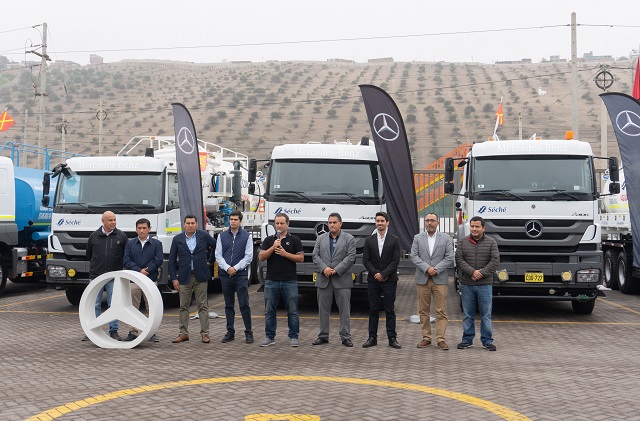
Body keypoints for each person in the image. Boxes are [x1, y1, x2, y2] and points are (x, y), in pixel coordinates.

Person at [169, 214, 217, 344]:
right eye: (188, 223)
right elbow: (172, 260)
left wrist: (211, 260)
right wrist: (173, 278)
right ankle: (183, 333)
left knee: (203, 306)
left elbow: (216, 246)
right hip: (184, 277)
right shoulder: (177, 239)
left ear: (197, 224)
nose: (190, 225)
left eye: (192, 223)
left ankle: (205, 334)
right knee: (183, 306)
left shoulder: (203, 236)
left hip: (201, 276)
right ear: (184, 225)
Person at [258, 212, 304, 347]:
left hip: (289, 281)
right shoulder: (269, 240)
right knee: (269, 311)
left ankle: (294, 337)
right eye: (277, 223)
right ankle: (270, 337)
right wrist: (273, 247)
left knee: (292, 311)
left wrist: (285, 254)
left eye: (282, 223)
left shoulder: (295, 240)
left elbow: (300, 258)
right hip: (271, 281)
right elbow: (261, 257)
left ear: (287, 224)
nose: (279, 226)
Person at [410, 214, 455, 350]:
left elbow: (450, 257)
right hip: (422, 278)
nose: (429, 223)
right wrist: (427, 268)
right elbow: (414, 256)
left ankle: (441, 339)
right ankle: (426, 338)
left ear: (438, 223)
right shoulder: (418, 238)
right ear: (425, 223)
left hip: (439, 279)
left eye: (432, 221)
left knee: (441, 310)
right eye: (427, 221)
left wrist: (436, 269)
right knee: (423, 310)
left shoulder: (446, 238)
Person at [455, 216, 500, 351]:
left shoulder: (491, 242)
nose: (474, 229)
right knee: (468, 314)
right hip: (467, 284)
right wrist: (472, 272)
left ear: (483, 228)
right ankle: (467, 339)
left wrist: (481, 273)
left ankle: (487, 341)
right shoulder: (463, 242)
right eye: (472, 226)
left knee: (486, 314)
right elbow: (459, 259)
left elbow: (495, 260)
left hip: (484, 284)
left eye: (477, 227)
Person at [312, 212, 356, 347]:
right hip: (324, 279)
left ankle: (345, 337)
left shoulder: (349, 239)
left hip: (342, 279)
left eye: (334, 222)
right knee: (323, 311)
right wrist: (324, 268)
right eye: (329, 222)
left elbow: (351, 257)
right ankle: (323, 336)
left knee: (345, 311)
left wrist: (336, 270)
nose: (331, 225)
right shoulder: (320, 238)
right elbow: (315, 255)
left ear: (340, 224)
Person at [84, 211, 129, 341]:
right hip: (96, 276)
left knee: (113, 305)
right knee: (94, 304)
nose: (113, 222)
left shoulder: (121, 236)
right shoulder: (94, 236)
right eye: (110, 220)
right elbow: (89, 254)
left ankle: (113, 331)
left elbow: (125, 255)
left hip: (114, 277)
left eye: (114, 220)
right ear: (103, 221)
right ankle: (93, 330)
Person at [362, 211, 401, 349]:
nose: (380, 223)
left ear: (387, 222)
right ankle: (372, 338)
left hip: (389, 280)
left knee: (390, 310)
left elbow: (395, 260)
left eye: (382, 221)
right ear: (375, 223)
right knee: (373, 310)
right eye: (378, 221)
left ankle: (392, 338)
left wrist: (383, 274)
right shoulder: (369, 240)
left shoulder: (395, 240)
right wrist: (376, 274)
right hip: (373, 280)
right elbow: (366, 260)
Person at [215, 210, 254, 344]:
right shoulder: (221, 236)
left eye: (235, 219)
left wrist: (235, 268)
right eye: (231, 219)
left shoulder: (247, 236)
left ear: (240, 221)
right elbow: (218, 255)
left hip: (240, 275)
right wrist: (227, 268)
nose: (233, 222)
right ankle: (230, 332)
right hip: (225, 275)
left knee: (244, 304)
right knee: (228, 305)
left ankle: (248, 332)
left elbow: (248, 256)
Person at [122, 218, 163, 342]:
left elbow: (158, 259)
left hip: (150, 280)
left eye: (144, 228)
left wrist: (147, 270)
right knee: (132, 307)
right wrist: (139, 271)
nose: (142, 230)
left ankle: (151, 332)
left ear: (149, 229)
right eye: (139, 228)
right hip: (134, 281)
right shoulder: (130, 244)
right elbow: (126, 261)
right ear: (136, 230)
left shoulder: (157, 244)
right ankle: (132, 332)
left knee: (151, 307)